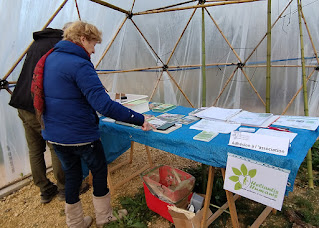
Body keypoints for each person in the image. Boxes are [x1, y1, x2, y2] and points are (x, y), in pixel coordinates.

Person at [31, 21, 154, 228]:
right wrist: (139, 118)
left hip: (55, 133)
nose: (94, 50)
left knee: (72, 175)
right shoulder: (79, 63)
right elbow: (103, 105)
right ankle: (104, 218)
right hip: (81, 135)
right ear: (82, 39)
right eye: (93, 43)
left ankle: (75, 223)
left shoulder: (50, 58)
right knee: (98, 170)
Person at [9, 27, 66, 204]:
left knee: (35, 149)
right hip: (37, 106)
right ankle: (65, 188)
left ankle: (45, 189)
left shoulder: (37, 43)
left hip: (22, 103)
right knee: (56, 145)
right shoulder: (57, 45)